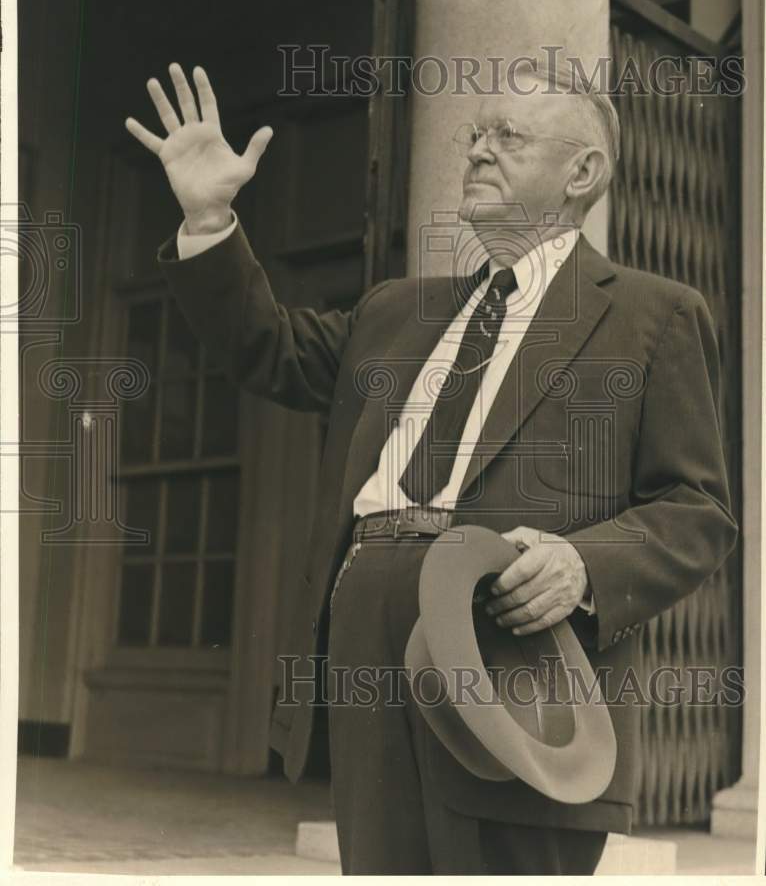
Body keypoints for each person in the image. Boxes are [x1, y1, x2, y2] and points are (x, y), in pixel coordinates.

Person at [126, 60, 738, 875]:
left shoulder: (653, 316)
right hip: (366, 654)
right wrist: (208, 220)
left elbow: (696, 509)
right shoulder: (394, 312)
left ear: (583, 172)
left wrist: (583, 563)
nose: (478, 151)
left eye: (507, 137)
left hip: (515, 661)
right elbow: (264, 347)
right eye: (475, 135)